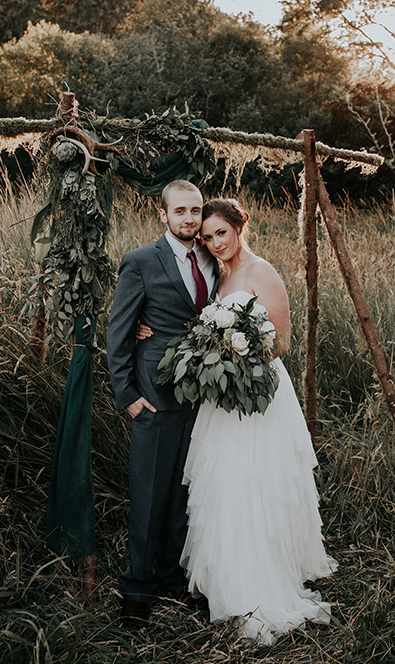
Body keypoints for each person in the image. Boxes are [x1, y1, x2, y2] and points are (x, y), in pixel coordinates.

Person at [180, 198, 337, 644]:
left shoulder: (262, 271)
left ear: (238, 227)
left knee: (257, 481)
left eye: (220, 234)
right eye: (207, 238)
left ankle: (262, 577)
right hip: (223, 396)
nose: (214, 244)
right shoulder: (218, 274)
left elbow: (281, 341)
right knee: (223, 481)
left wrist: (236, 357)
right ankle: (224, 575)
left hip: (258, 392)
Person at [107, 179, 218, 624]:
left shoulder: (213, 256)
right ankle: (137, 587)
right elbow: (119, 331)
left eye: (195, 211)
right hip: (154, 396)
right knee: (149, 493)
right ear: (164, 215)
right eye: (181, 211)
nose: (190, 218)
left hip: (206, 399)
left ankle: (174, 577)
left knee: (185, 493)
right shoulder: (139, 262)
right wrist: (127, 394)